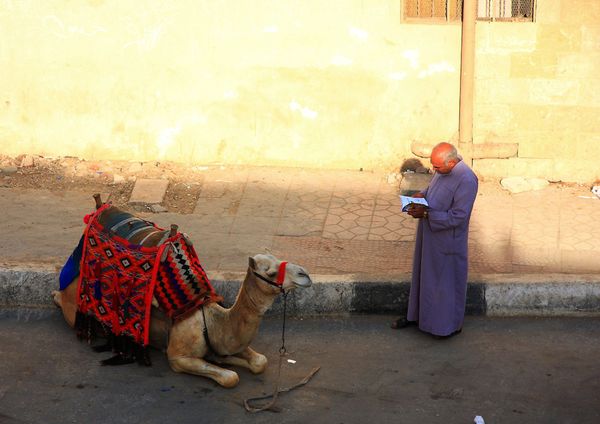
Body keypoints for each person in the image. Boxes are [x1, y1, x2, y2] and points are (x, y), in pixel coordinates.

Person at [392, 142, 478, 338]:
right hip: (429, 235)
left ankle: (445, 327)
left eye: (437, 167)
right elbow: (432, 190)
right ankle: (418, 317)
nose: (434, 170)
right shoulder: (443, 171)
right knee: (425, 277)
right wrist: (420, 196)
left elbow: (458, 216)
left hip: (447, 240)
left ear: (452, 162)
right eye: (433, 166)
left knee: (444, 283)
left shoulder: (466, 180)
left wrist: (429, 214)